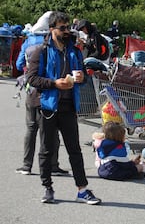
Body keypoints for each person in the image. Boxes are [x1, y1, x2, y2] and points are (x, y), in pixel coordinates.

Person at [27, 11, 101, 205]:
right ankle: (47, 188)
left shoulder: (75, 51)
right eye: (62, 28)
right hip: (48, 107)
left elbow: (84, 77)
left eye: (68, 27)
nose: (67, 31)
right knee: (46, 150)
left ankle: (82, 190)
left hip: (69, 106)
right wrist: (54, 83)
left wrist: (81, 78)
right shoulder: (41, 51)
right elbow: (32, 79)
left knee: (74, 150)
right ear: (52, 30)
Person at [15, 33, 68, 176]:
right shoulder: (57, 50)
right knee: (52, 131)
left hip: (32, 94)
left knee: (31, 129)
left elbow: (19, 64)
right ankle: (53, 165)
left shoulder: (29, 42)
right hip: (50, 96)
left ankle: (27, 165)